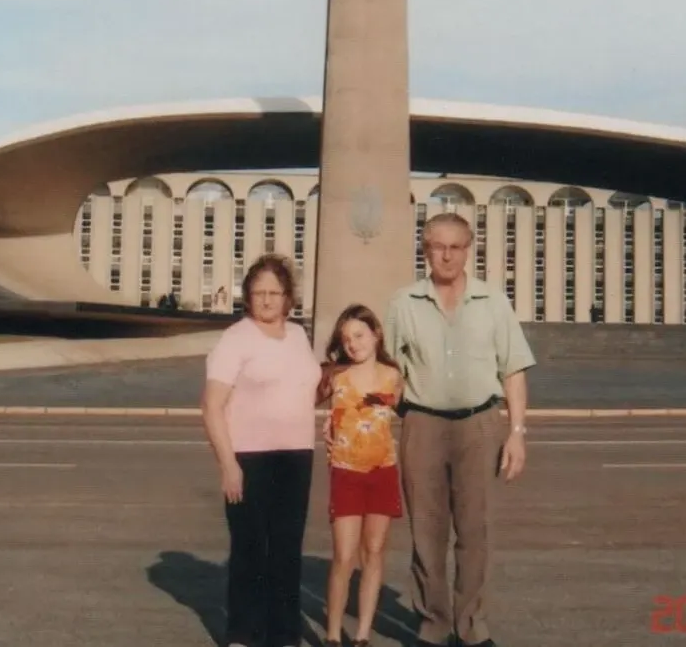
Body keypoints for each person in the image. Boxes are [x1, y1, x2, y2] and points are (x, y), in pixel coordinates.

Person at [384, 212, 537, 647]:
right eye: (437, 246)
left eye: (455, 246)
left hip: (480, 426)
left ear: (468, 250)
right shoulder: (403, 303)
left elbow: (514, 371)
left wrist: (518, 432)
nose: (446, 255)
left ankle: (471, 628)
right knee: (426, 533)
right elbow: (388, 369)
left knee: (475, 532)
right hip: (423, 424)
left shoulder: (494, 302)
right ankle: (433, 625)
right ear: (425, 250)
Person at [201, 253, 321, 647]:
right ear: (248, 296)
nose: (267, 300)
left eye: (275, 292)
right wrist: (228, 464)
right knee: (251, 549)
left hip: (296, 456)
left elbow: (303, 389)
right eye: (259, 292)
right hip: (249, 458)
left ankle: (283, 634)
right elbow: (212, 406)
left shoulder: (299, 335)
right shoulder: (236, 338)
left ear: (288, 297)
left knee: (286, 550)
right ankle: (242, 633)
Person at [317, 304, 404, 647]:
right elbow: (298, 400)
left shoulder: (393, 376)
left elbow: (413, 413)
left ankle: (363, 634)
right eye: (346, 339)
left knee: (375, 550)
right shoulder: (334, 376)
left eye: (359, 335)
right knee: (344, 555)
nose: (353, 344)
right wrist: (326, 423)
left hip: (383, 470)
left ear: (376, 334)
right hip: (345, 472)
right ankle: (334, 634)